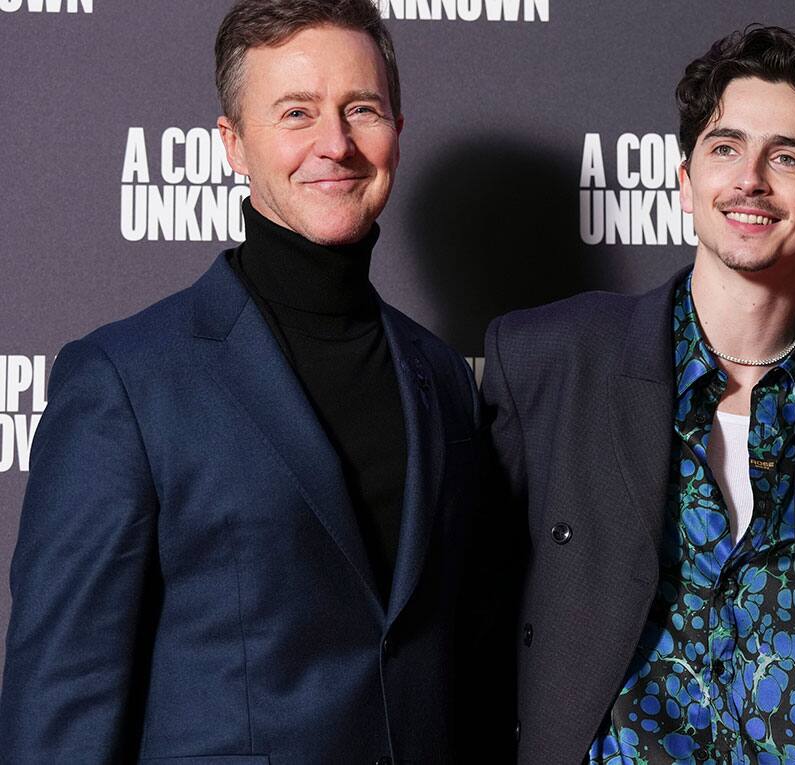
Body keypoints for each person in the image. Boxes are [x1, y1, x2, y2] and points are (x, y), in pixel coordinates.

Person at [0, 1, 483, 760]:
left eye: (362, 108)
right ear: (233, 144)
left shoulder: (445, 377)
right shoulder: (126, 381)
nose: (336, 144)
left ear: (396, 129)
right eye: (296, 111)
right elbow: (62, 704)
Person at [482, 25, 795, 764]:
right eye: (725, 147)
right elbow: (473, 619)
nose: (749, 178)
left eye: (787, 156)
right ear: (686, 179)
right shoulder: (550, 359)